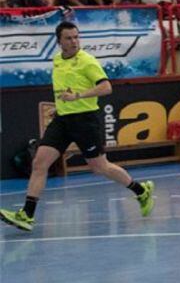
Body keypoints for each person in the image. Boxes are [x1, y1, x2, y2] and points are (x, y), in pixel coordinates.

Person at [1, 22, 155, 231]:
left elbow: (106, 87)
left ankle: (140, 190)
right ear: (59, 41)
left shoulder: (87, 61)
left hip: (85, 120)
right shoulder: (57, 60)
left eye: (76, 37)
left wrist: (78, 96)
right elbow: (65, 89)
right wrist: (61, 105)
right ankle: (27, 214)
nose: (74, 42)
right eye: (68, 38)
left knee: (100, 167)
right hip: (63, 119)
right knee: (39, 163)